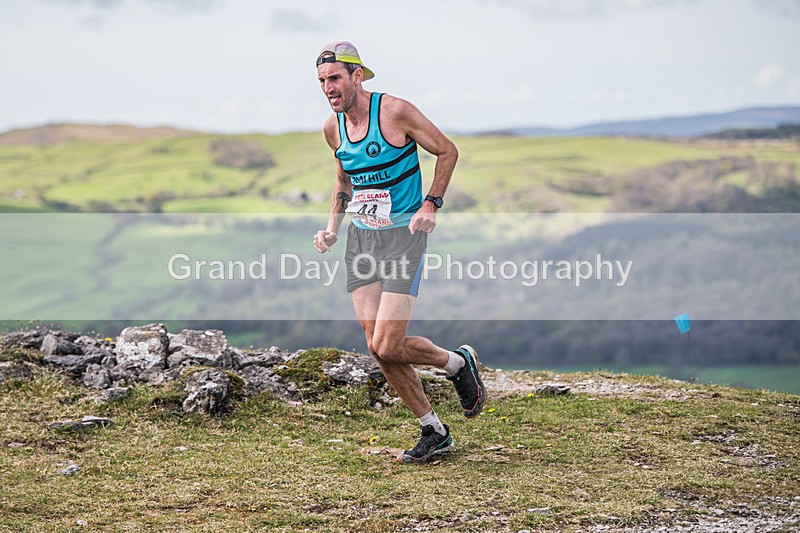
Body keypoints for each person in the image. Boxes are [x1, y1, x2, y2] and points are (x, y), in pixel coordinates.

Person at [312, 41, 486, 464]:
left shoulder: (394, 111)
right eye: (321, 81)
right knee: (377, 347)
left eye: (335, 78)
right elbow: (343, 180)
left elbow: (448, 150)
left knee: (389, 343)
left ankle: (456, 364)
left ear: (357, 76)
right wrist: (332, 228)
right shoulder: (332, 127)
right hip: (361, 239)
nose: (328, 88)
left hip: (403, 237)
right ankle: (434, 430)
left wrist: (431, 204)